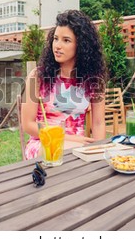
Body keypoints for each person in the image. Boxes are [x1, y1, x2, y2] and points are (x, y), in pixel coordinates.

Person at [22, 10, 107, 160]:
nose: (57, 46)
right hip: (43, 144)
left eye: (66, 40)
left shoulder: (94, 80)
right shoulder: (37, 76)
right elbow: (28, 124)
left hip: (79, 148)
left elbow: (99, 123)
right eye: (56, 39)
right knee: (67, 151)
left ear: (81, 45)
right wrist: (71, 139)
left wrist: (99, 152)